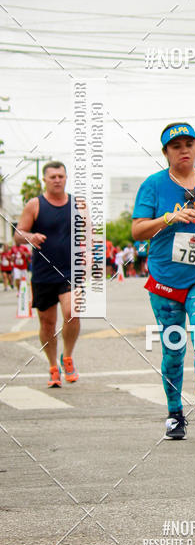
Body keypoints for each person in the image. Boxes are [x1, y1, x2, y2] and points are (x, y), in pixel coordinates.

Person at [132, 122, 195, 441]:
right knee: (174, 347)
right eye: (176, 146)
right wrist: (170, 218)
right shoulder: (153, 185)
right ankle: (175, 414)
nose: (184, 149)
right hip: (165, 279)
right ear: (166, 153)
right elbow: (137, 231)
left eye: (189, 143)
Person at [15, 161, 80, 388]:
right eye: (52, 176)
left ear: (66, 177)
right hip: (43, 273)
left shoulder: (76, 204)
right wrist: (30, 237)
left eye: (61, 176)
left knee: (72, 311)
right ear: (45, 179)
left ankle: (68, 356)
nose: (57, 180)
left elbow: (88, 233)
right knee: (48, 323)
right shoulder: (35, 205)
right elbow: (18, 235)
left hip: (70, 270)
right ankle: (53, 365)